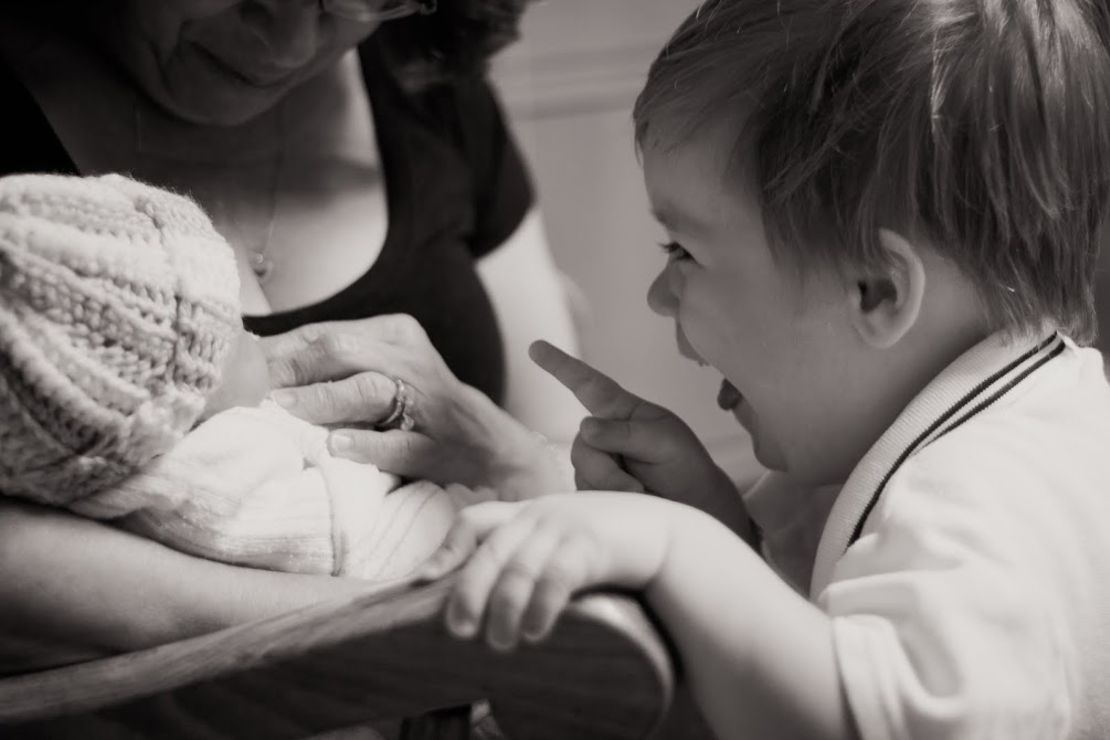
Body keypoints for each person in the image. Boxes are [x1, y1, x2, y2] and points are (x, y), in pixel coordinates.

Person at [420, 1, 1110, 739]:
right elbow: (819, 643)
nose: (659, 296)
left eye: (682, 252)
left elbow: (868, 721)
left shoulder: (974, 498)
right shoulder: (1015, 415)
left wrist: (675, 549)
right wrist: (721, 526)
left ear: (875, 290)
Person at [0, 0, 579, 659]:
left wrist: (494, 444)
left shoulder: (427, 75)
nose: (289, 44)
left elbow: (555, 446)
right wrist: (413, 619)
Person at [2, 173, 493, 591]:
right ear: (183, 402)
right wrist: (467, 507)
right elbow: (352, 543)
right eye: (232, 329)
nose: (254, 330)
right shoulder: (209, 478)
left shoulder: (170, 440)